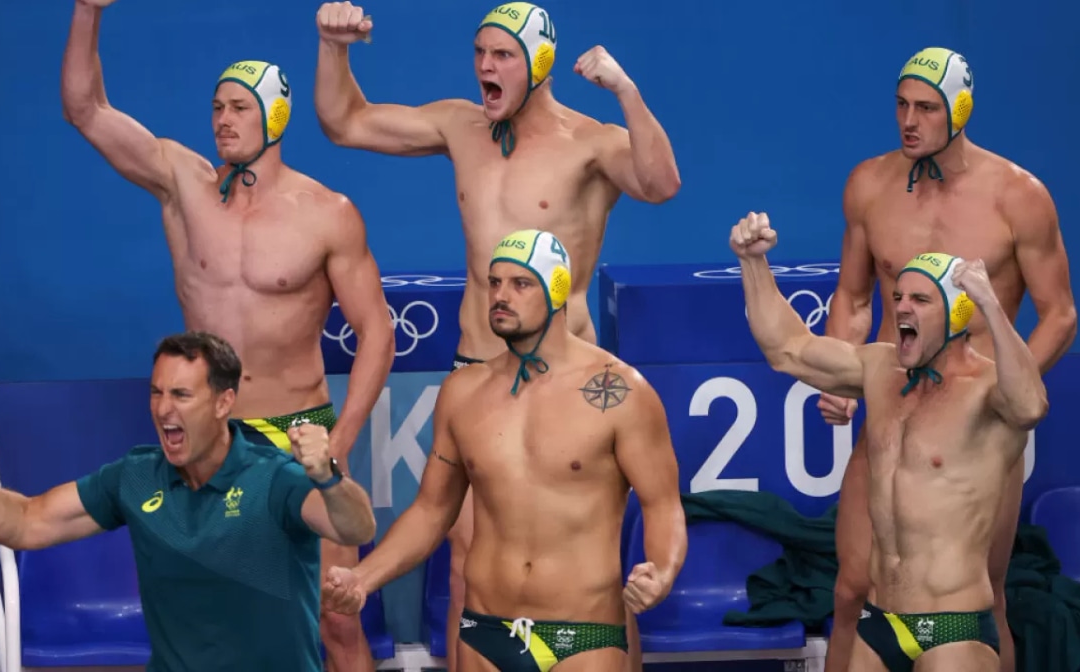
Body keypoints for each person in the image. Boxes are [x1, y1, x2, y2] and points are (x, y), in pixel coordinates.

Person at [312, 3, 682, 666]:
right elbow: (345, 122)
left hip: (569, 378)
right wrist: (332, 47)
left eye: (503, 54)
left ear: (539, 64)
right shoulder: (461, 125)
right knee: (465, 565)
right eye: (480, 53)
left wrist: (626, 91)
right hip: (476, 372)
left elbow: (661, 183)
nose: (486, 66)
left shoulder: (589, 142)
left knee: (594, 584)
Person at [61, 1, 397, 668]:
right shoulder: (182, 184)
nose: (222, 119)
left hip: (299, 431)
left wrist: (340, 441)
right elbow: (86, 110)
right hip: (215, 442)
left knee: (337, 616)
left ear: (275, 116)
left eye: (240, 106)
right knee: (217, 614)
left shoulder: (327, 213)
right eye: (217, 106)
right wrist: (87, 12)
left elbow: (377, 332)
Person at [815, 46, 1077, 672]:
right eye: (902, 105)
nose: (909, 120)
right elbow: (852, 297)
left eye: (927, 108)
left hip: (978, 428)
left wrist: (1006, 401)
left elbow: (1061, 314)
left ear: (958, 110)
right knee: (853, 590)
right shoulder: (869, 186)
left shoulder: (1017, 196)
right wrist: (842, 369)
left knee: (983, 604)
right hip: (892, 411)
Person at [321, 230, 688, 671]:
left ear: (556, 292)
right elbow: (431, 511)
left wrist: (662, 571)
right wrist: (363, 578)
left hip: (583, 637)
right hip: (485, 631)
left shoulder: (619, 390)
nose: (500, 295)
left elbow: (662, 504)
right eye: (494, 283)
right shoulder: (463, 391)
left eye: (520, 284)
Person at [0, 331, 378, 672]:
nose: (163, 409)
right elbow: (26, 522)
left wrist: (328, 476)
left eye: (181, 394)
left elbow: (355, 528)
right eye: (157, 392)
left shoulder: (274, 477)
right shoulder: (136, 476)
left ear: (224, 403)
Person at [732, 211, 1048, 672]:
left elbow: (1030, 407)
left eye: (920, 299)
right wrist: (753, 263)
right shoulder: (881, 371)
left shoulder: (988, 390)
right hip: (878, 621)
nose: (901, 308)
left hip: (952, 627)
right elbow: (788, 350)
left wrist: (990, 305)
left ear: (959, 313)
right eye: (898, 296)